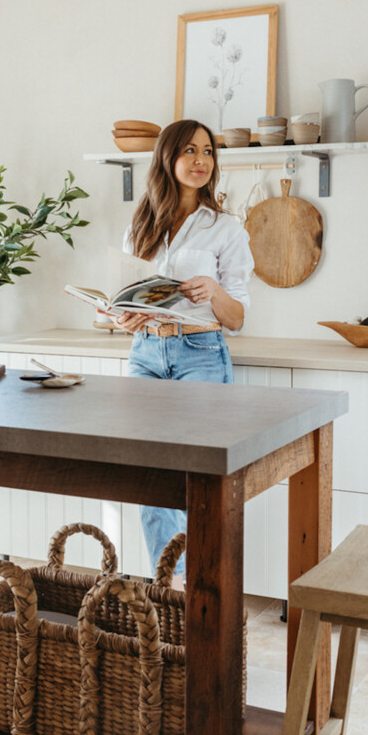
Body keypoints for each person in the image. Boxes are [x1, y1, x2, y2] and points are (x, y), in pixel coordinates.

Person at [117, 119, 254, 582]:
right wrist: (123, 315)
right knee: (149, 478)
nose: (201, 161)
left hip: (200, 354)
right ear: (167, 158)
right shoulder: (141, 224)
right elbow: (129, 300)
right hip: (145, 353)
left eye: (209, 152)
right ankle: (168, 591)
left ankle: (204, 591)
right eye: (190, 151)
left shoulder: (226, 228)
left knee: (200, 484)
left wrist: (214, 289)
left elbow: (236, 318)